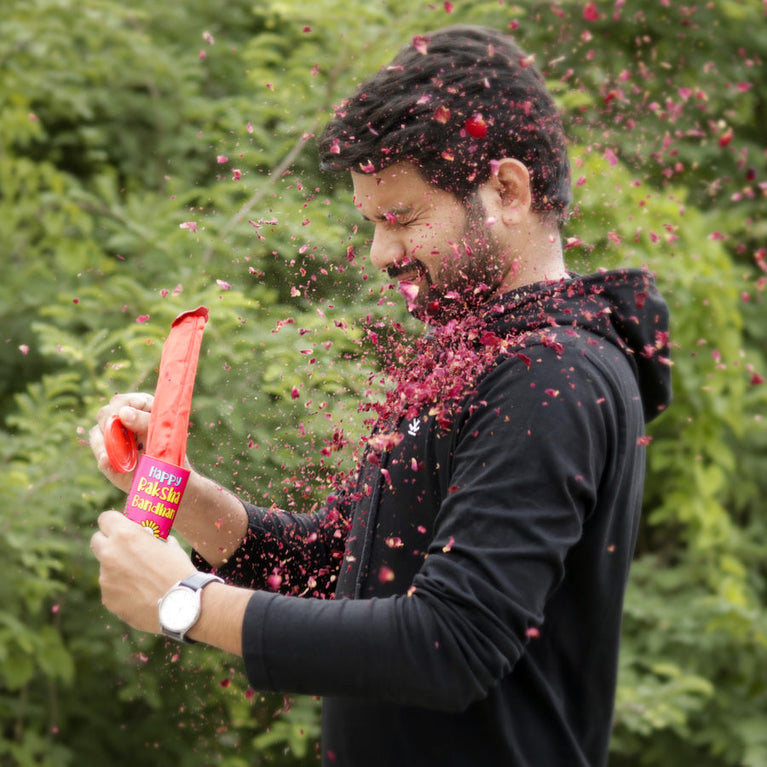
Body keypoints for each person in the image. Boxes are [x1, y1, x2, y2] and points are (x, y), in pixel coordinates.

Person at [89, 25, 672, 767]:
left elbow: (449, 642)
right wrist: (183, 496)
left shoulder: (550, 374)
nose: (381, 254)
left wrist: (187, 602)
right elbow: (335, 566)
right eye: (371, 224)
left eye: (402, 219)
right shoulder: (474, 355)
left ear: (507, 191)